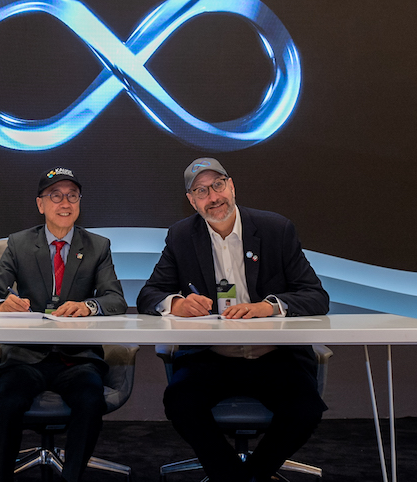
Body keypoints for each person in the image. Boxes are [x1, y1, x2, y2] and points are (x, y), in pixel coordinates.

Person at [136, 157, 330, 482]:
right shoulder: (181, 236)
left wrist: (268, 307)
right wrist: (176, 303)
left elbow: (316, 296)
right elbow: (148, 295)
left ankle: (250, 476)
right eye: (201, 191)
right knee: (180, 403)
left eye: (218, 185)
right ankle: (232, 476)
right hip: (212, 358)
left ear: (231, 186)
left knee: (305, 409)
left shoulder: (276, 229)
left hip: (274, 357)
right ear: (191, 201)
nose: (213, 197)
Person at [0, 166, 126, 482]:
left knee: (90, 400)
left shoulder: (98, 246)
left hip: (77, 358)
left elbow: (116, 299)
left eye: (72, 195)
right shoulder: (19, 244)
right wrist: (1, 305)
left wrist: (88, 306)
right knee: (9, 401)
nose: (65, 203)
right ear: (40, 204)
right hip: (26, 357)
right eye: (55, 196)